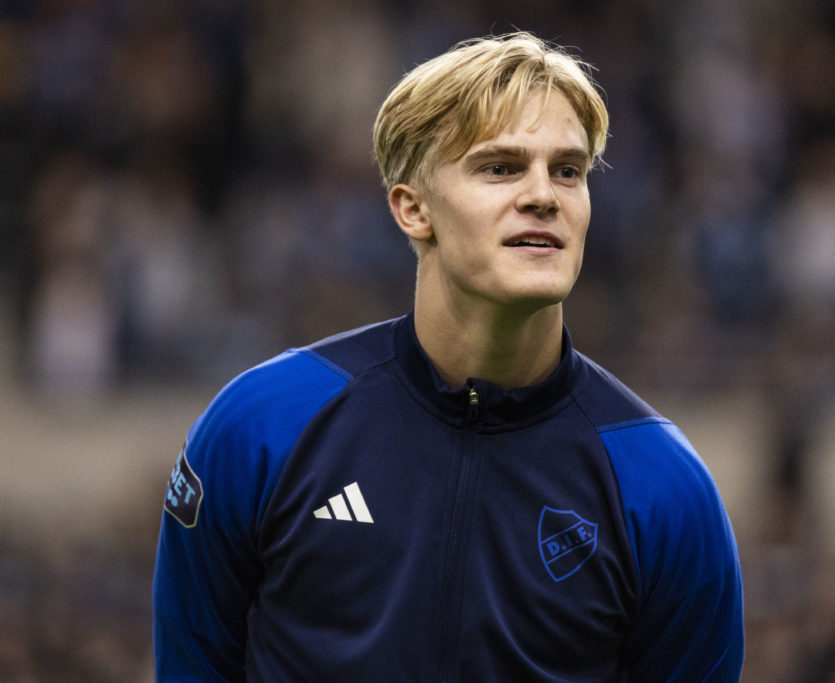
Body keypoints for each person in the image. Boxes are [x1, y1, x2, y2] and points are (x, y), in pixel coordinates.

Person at [153, 32, 744, 681]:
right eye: (501, 167)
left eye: (568, 170)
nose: (544, 194)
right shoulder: (260, 427)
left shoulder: (663, 484)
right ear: (412, 208)